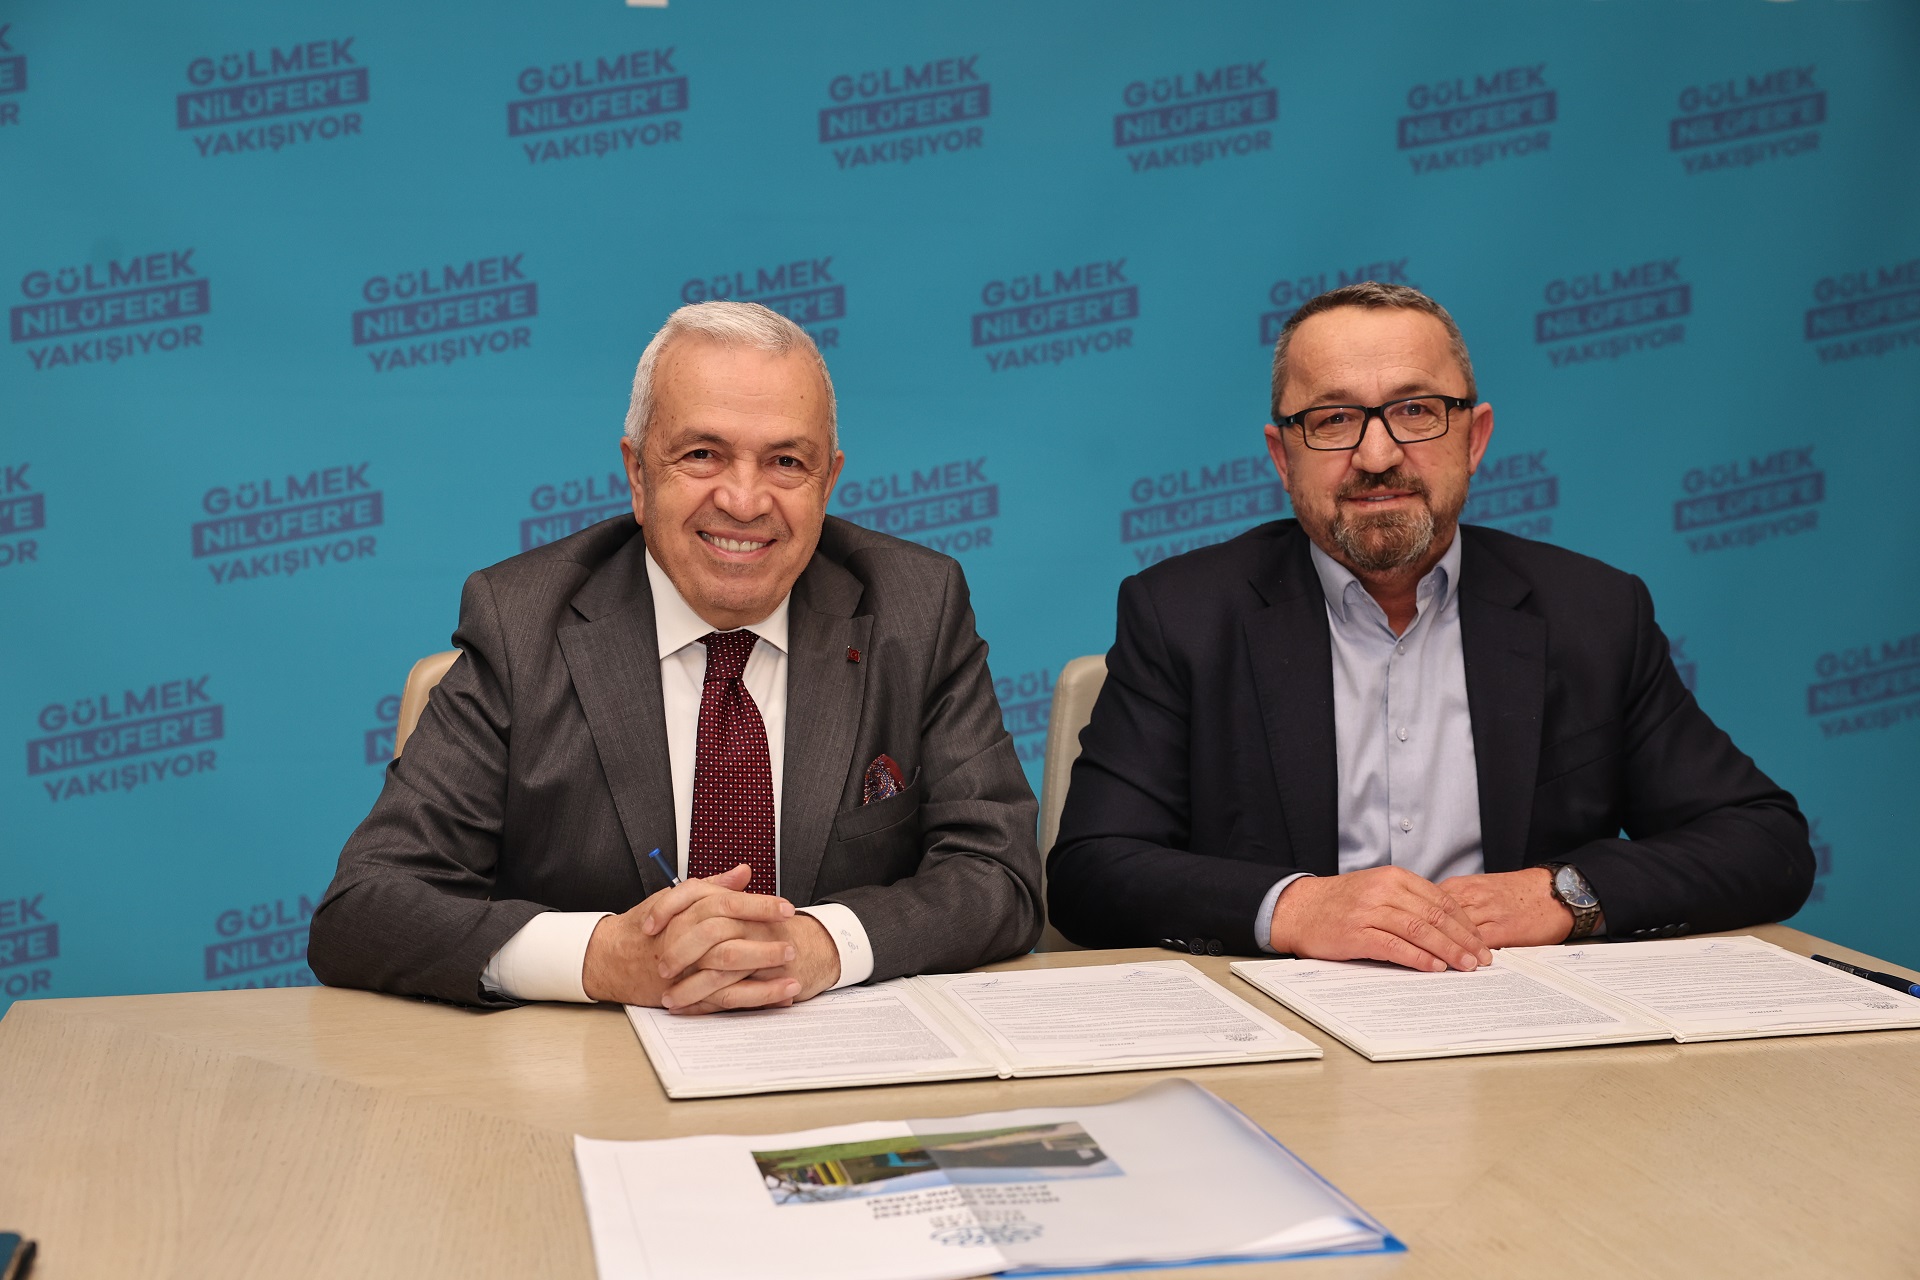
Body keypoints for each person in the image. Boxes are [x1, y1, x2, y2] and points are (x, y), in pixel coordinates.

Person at [1047, 282, 1813, 968]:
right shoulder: (1181, 615)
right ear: (1283, 457)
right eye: (1334, 419)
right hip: (1286, 1028)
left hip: (1520, 1023)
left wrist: (1564, 893)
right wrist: (1298, 908)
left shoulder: (1593, 613)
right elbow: (1091, 871)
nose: (1377, 455)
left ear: (1473, 438)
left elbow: (1763, 841)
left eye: (1415, 412)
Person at [310, 301, 1041, 1011]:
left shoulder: (917, 607)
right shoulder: (521, 623)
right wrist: (604, 959)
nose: (745, 501)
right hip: (590, 1067)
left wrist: (821, 945)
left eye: (786, 462)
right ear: (638, 475)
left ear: (828, 483)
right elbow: (367, 906)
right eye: (701, 455)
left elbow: (999, 874)